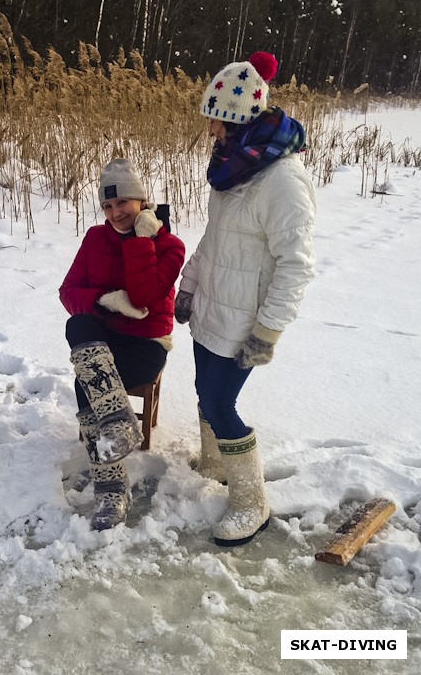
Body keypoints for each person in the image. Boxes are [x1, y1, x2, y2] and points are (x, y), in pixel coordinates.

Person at [175, 51, 316, 547]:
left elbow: (297, 264)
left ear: (235, 120)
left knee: (220, 400)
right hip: (213, 305)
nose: (210, 131)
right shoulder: (232, 170)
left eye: (215, 120)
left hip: (245, 319)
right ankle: (216, 465)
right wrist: (189, 284)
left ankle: (251, 501)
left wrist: (267, 331)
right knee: (202, 389)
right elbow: (214, 240)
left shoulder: (283, 181)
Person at [60, 159, 185, 531]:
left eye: (123, 204)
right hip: (103, 337)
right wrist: (102, 300)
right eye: (107, 206)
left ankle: (111, 480)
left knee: (88, 381)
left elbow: (146, 295)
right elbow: (67, 292)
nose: (115, 214)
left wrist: (142, 241)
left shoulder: (169, 246)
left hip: (146, 345)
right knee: (78, 324)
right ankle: (114, 471)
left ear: (141, 201)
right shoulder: (95, 239)